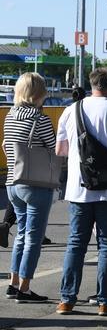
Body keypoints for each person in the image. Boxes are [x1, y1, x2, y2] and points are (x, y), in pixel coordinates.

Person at [55, 68, 107, 316]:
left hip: (78, 190)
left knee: (75, 244)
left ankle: (66, 300)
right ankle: (105, 301)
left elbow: (62, 150)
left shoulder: (71, 110)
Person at [2, 72, 56, 303]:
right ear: (38, 93)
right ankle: (25, 288)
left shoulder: (10, 115)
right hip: (35, 184)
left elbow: (6, 145)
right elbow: (53, 148)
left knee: (22, 235)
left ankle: (13, 283)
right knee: (33, 237)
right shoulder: (39, 119)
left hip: (12, 184)